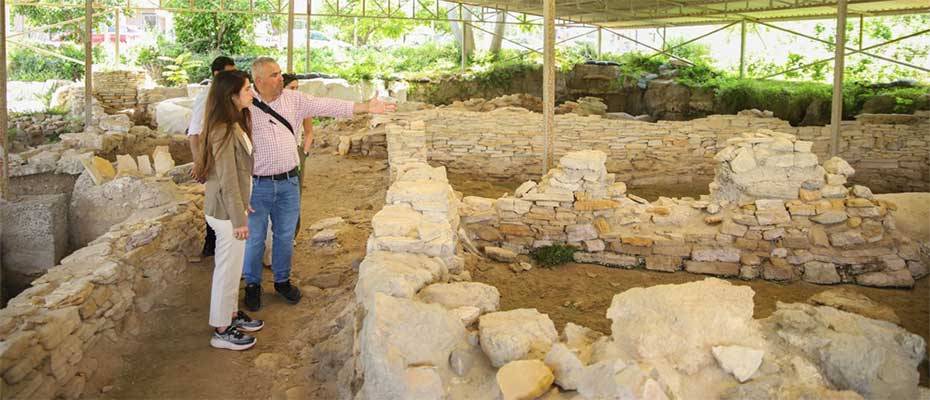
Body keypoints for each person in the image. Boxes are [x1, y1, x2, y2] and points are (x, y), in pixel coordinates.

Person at [243, 57, 395, 311]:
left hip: (289, 181)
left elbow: (328, 105)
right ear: (258, 81)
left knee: (284, 234)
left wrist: (365, 107)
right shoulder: (245, 105)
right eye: (274, 75)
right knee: (255, 237)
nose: (280, 78)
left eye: (280, 73)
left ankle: (282, 280)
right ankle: (252, 285)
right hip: (258, 184)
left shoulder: (294, 100)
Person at [194, 70, 265, 350]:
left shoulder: (232, 121)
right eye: (248, 88)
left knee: (233, 268)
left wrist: (243, 202)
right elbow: (226, 178)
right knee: (227, 269)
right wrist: (239, 218)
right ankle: (221, 328)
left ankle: (231, 315)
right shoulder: (222, 128)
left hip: (231, 208)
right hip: (225, 213)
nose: (252, 93)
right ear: (232, 96)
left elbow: (239, 172)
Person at [188, 56, 238, 257]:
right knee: (216, 198)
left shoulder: (229, 95)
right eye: (228, 73)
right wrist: (200, 162)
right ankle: (211, 243)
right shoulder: (206, 96)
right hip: (213, 156)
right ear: (217, 74)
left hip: (228, 154)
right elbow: (194, 132)